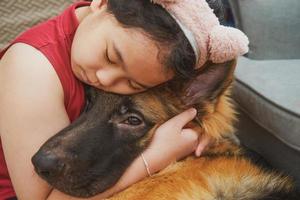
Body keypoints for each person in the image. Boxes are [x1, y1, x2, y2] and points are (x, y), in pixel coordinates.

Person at [0, 0, 248, 199]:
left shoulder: (104, 42)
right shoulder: (29, 66)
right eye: (110, 56)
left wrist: (197, 125)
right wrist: (155, 156)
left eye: (133, 84)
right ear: (100, 3)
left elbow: (194, 114)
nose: (105, 79)